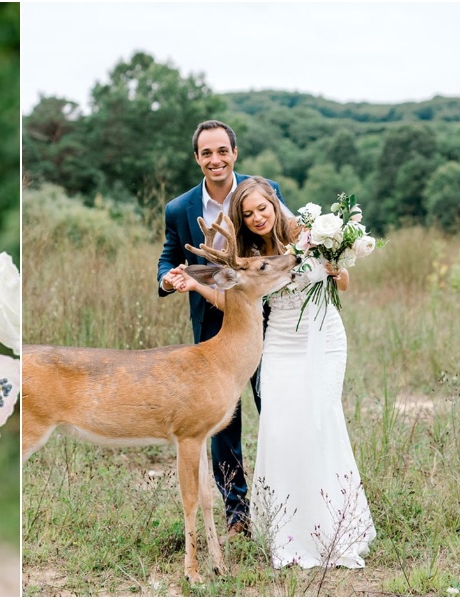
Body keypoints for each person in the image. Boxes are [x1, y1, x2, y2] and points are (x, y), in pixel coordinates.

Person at [166, 177, 376, 569]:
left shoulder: (310, 234)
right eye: (247, 214)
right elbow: (236, 301)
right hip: (279, 340)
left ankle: (333, 527)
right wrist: (195, 284)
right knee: (279, 427)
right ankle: (285, 531)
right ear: (241, 219)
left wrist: (335, 261)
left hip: (323, 337)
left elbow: (342, 283)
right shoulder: (246, 252)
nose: (257, 217)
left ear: (275, 204)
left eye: (262, 208)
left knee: (319, 422)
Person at [156, 119, 286, 539]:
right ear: (197, 158)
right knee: (222, 426)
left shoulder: (261, 192)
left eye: (222, 151)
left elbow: (281, 242)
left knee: (276, 409)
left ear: (235, 153)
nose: (216, 159)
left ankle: (282, 503)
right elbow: (169, 256)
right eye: (206, 153)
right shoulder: (179, 208)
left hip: (267, 319)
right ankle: (238, 515)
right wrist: (169, 279)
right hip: (213, 324)